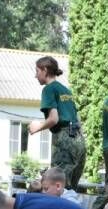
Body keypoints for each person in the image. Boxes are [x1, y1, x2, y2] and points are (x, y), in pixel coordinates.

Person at [28, 56, 85, 191]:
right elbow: (77, 118)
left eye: (37, 71)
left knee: (57, 186)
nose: (35, 76)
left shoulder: (49, 89)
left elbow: (54, 119)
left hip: (64, 139)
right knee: (70, 188)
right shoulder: (66, 90)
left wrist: (37, 127)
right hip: (78, 140)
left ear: (45, 70)